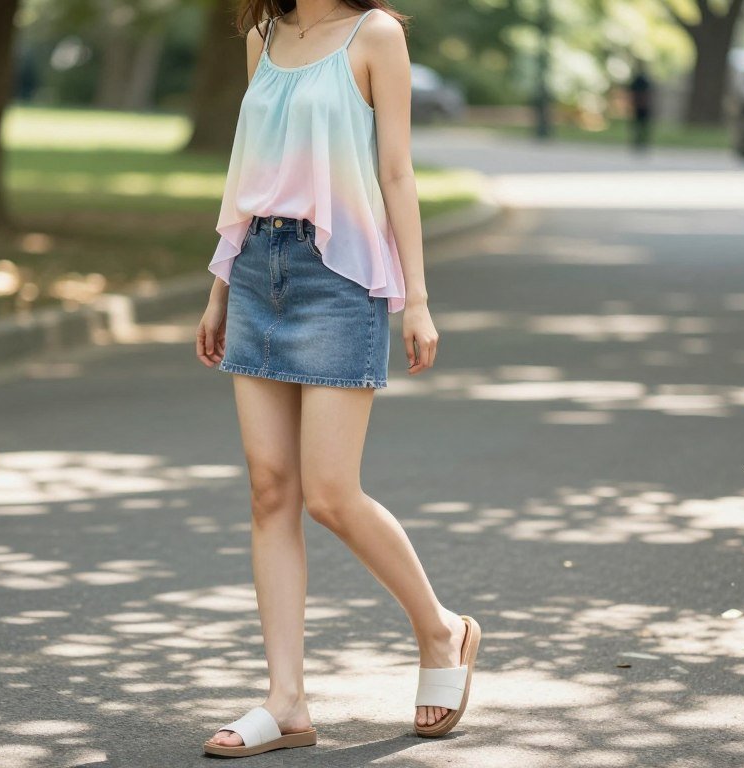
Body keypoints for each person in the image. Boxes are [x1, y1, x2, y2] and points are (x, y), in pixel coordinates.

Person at [194, 0, 481, 758]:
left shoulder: (375, 36)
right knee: (269, 490)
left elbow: (396, 170)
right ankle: (285, 701)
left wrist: (415, 298)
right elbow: (247, 166)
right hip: (258, 271)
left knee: (328, 492)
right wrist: (220, 287)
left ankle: (441, 629)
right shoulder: (261, 35)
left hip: (340, 277)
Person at [628, 60, 653, 152]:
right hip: (639, 105)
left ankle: (642, 141)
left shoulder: (643, 80)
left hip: (642, 105)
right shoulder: (641, 80)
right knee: (639, 125)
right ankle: (639, 141)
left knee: (642, 125)